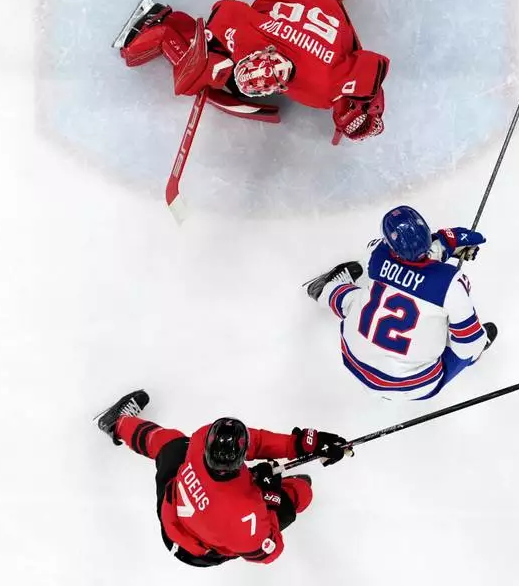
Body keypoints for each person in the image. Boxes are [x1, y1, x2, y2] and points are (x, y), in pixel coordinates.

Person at [114, 0, 389, 141]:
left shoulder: (356, 65)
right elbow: (226, 12)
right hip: (266, 13)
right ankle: (160, 21)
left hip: (307, 1)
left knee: (320, 25)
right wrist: (209, 64)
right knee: (205, 74)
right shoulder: (321, 90)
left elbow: (346, 32)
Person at [95, 389, 350, 567]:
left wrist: (302, 443)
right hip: (195, 550)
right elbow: (268, 552)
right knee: (302, 490)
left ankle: (117, 423)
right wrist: (270, 500)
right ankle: (293, 491)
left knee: (167, 442)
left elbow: (256, 442)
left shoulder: (201, 439)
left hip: (173, 509)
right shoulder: (245, 517)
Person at [305, 206, 498, 400]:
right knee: (467, 340)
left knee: (356, 302)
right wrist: (448, 242)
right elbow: (467, 345)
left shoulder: (378, 255)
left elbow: (408, 260)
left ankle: (326, 290)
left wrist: (446, 244)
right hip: (411, 385)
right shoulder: (450, 282)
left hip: (354, 361)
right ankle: (478, 352)